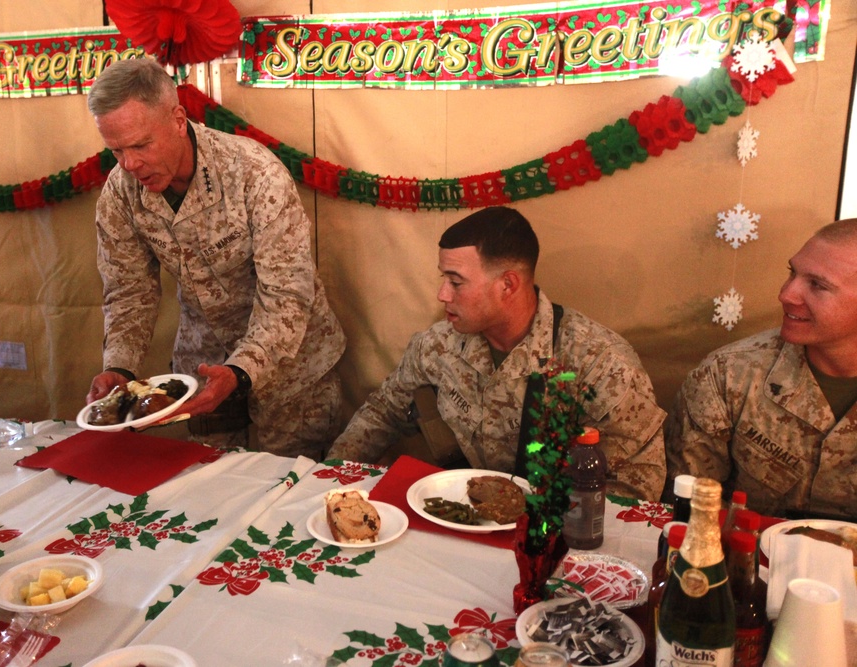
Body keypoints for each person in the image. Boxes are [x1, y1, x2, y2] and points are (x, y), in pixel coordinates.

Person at [84, 58, 346, 458]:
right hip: (203, 367)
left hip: (293, 366)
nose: (129, 164)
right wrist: (119, 367)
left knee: (293, 490)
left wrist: (242, 371)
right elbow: (129, 291)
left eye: (140, 145)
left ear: (177, 119)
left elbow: (288, 293)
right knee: (211, 487)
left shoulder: (253, 173)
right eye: (116, 149)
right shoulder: (121, 193)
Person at [326, 206, 667, 500]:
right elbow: (382, 413)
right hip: (461, 517)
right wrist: (330, 481)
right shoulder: (437, 346)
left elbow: (636, 486)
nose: (442, 294)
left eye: (456, 282)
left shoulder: (600, 363)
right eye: (443, 278)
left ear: (507, 285)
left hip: (553, 536)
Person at [666, 219, 857, 517]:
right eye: (792, 272)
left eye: (817, 285)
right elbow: (689, 508)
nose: (786, 294)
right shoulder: (728, 374)